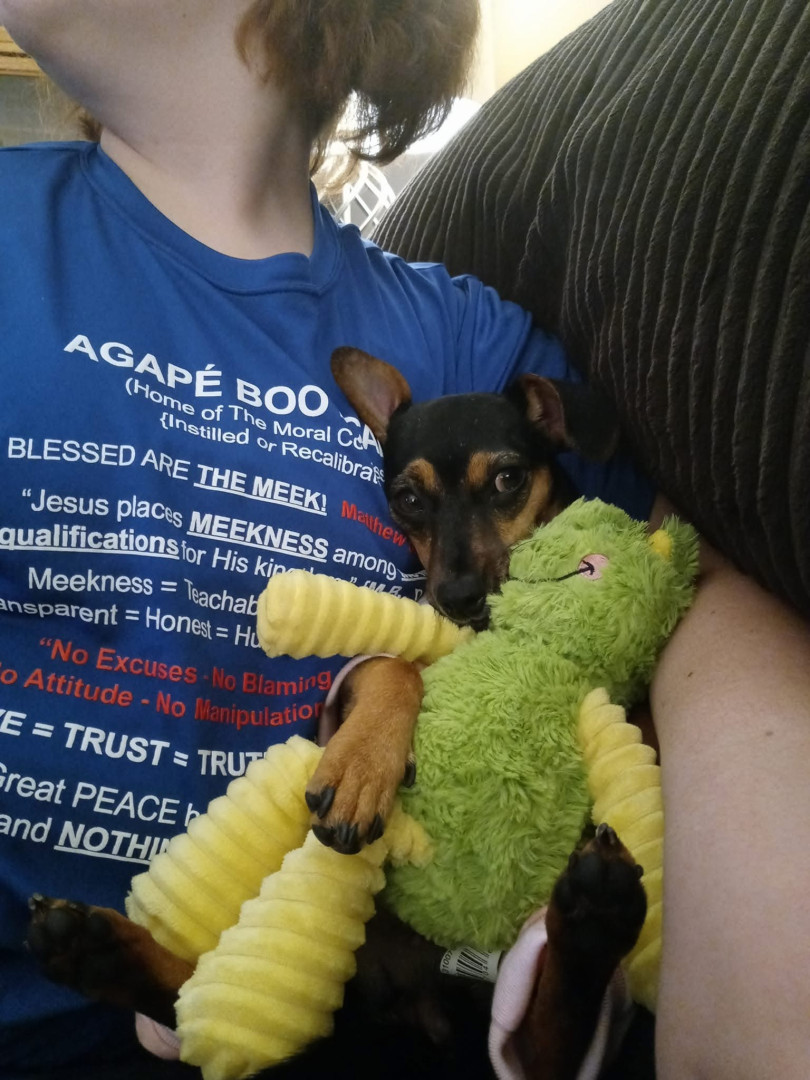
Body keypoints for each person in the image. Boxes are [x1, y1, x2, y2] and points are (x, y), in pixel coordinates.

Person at [0, 3, 807, 1080]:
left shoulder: (462, 336)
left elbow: (677, 567)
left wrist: (759, 990)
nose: (456, 554)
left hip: (405, 961)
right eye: (418, 509)